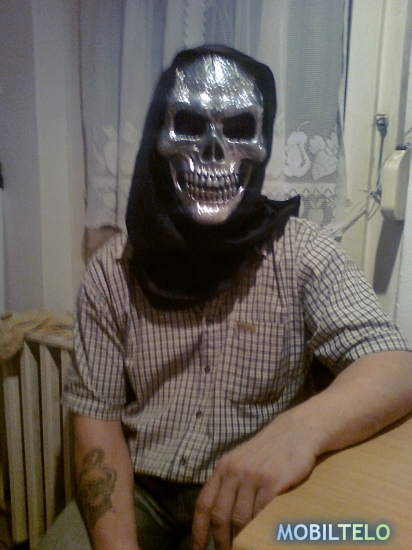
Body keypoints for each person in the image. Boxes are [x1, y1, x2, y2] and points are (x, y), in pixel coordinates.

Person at [63, 45, 412, 550]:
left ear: (262, 141)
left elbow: (396, 366)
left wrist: (298, 431)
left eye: (239, 129)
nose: (213, 151)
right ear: (158, 136)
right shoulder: (113, 271)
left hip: (255, 491)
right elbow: (95, 416)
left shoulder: (301, 252)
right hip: (141, 488)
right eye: (188, 124)